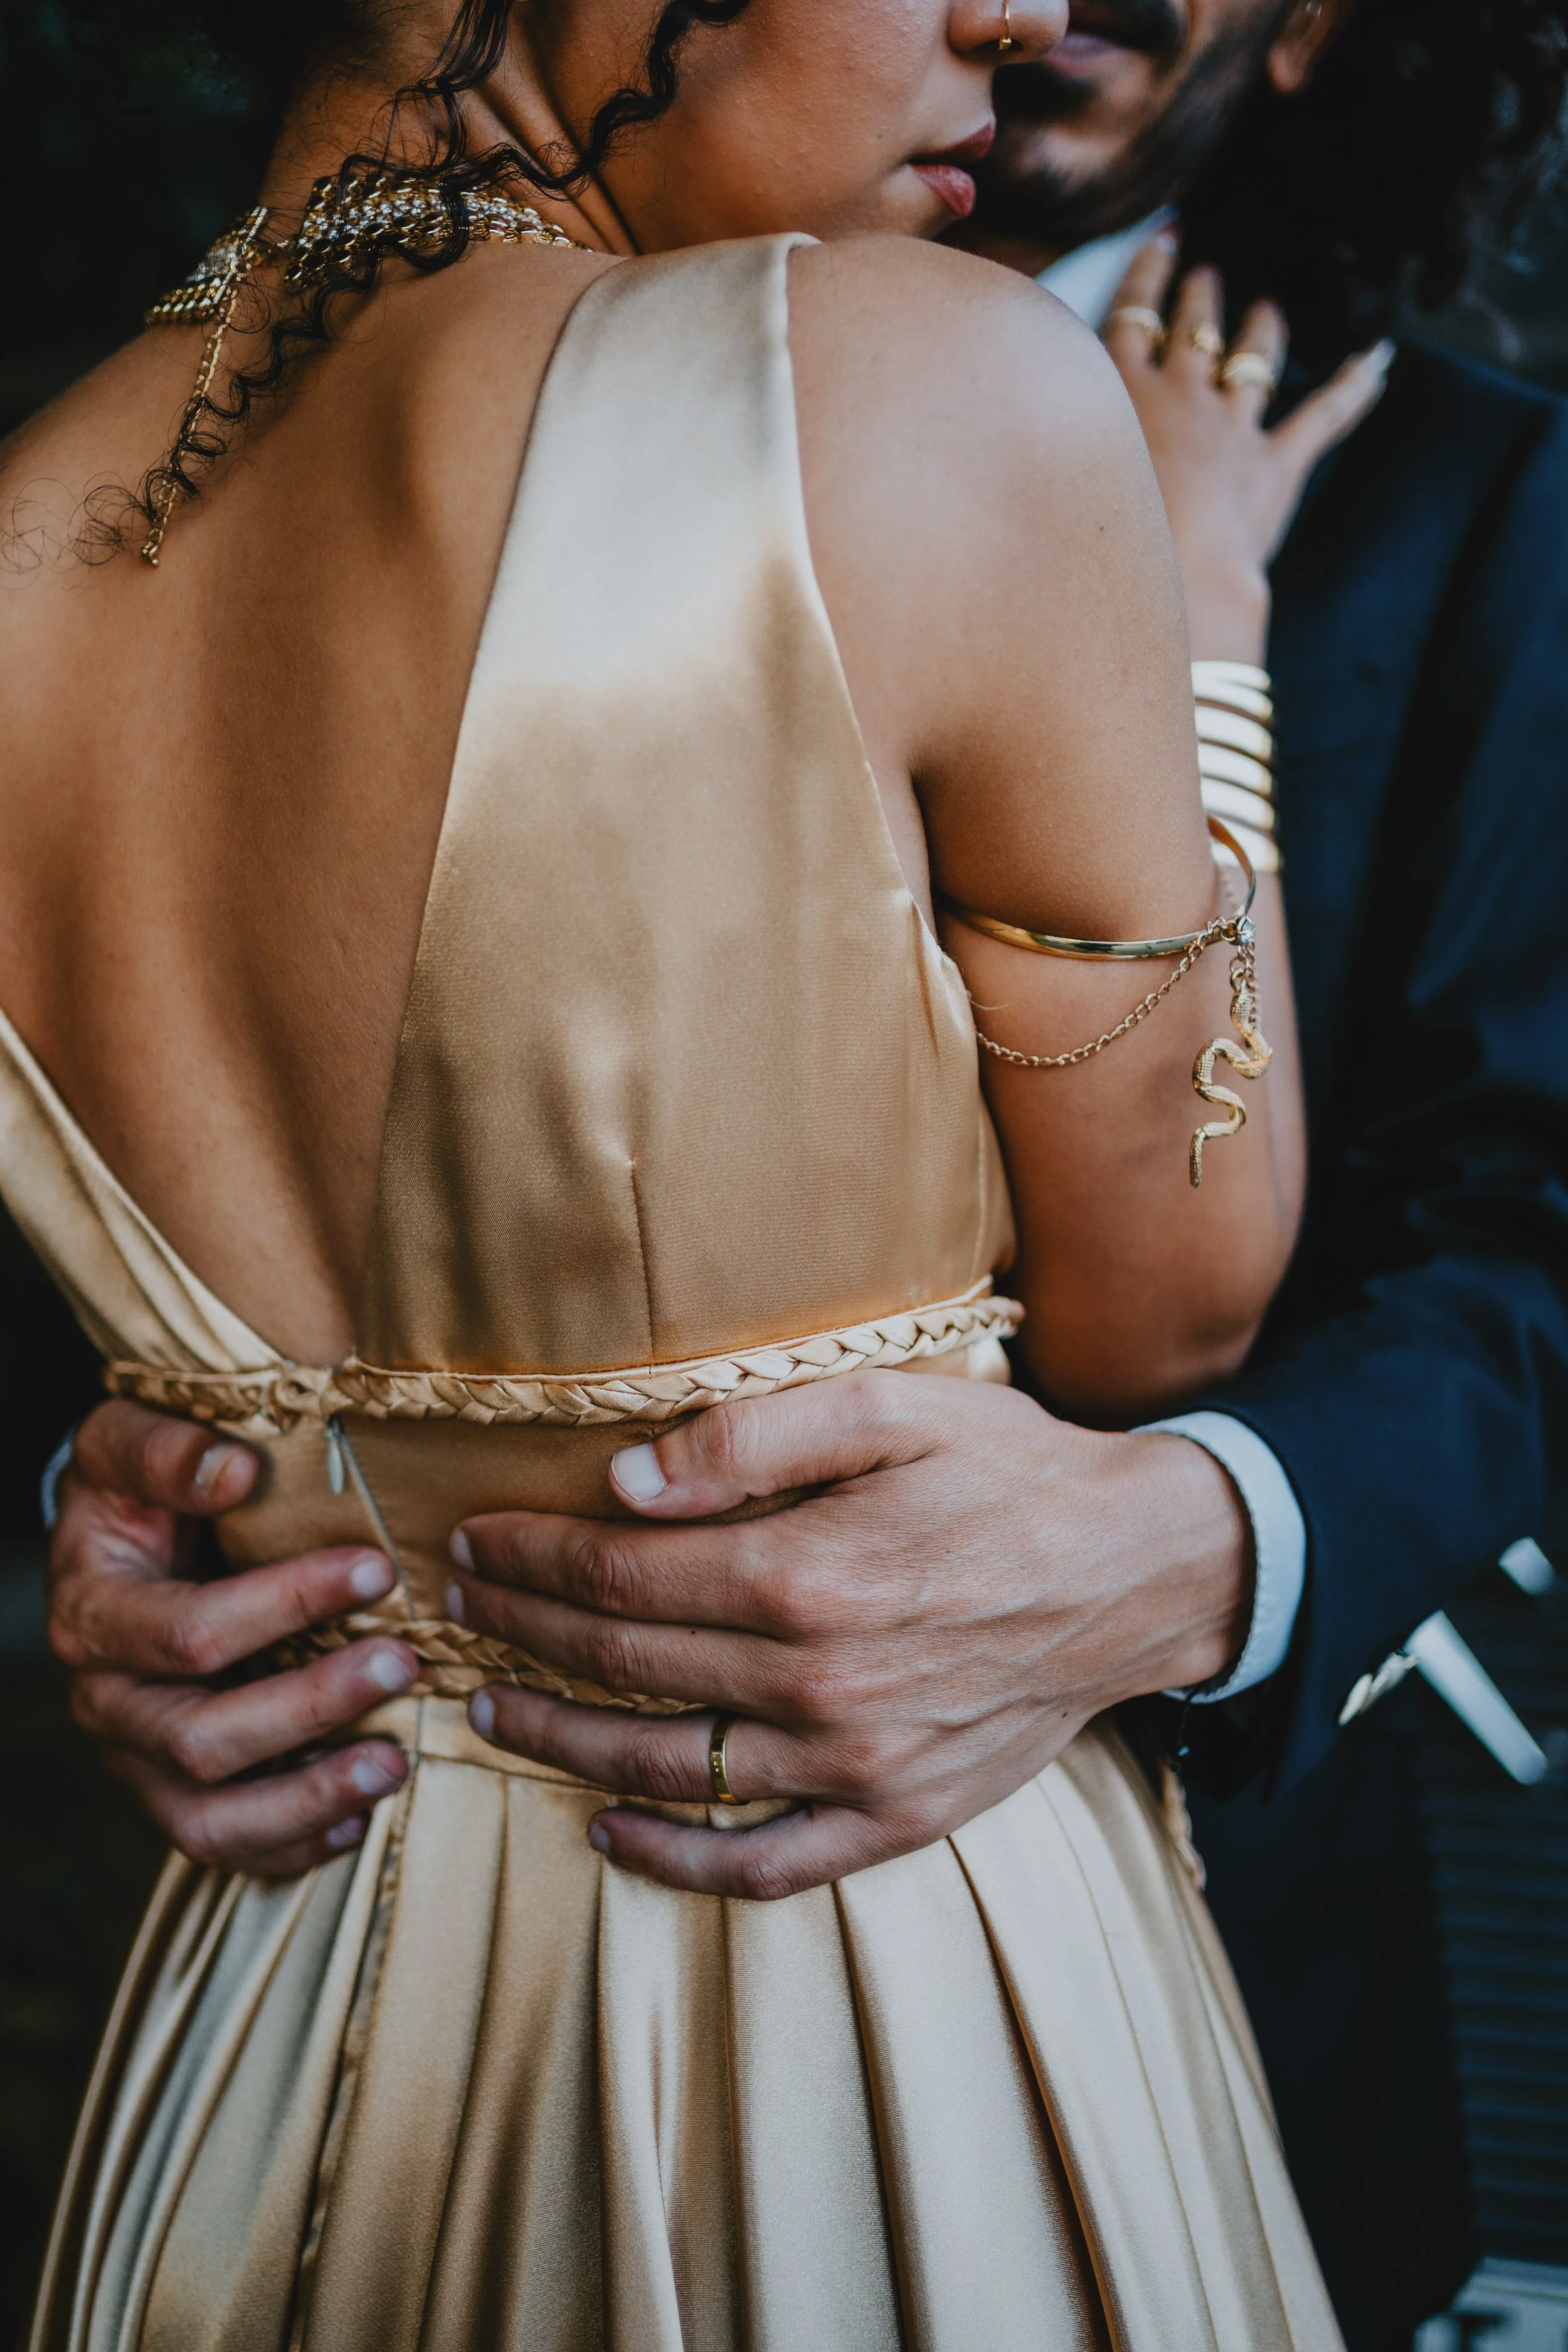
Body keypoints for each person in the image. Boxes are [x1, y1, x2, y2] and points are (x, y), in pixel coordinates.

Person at [34, 0, 1568, 2339]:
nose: (1020, 8)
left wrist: (1201, 1546)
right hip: (872, 2004)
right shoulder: (950, 385)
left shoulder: (55, 499)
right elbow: (1166, 1305)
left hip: (295, 2014)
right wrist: (134, 1507)